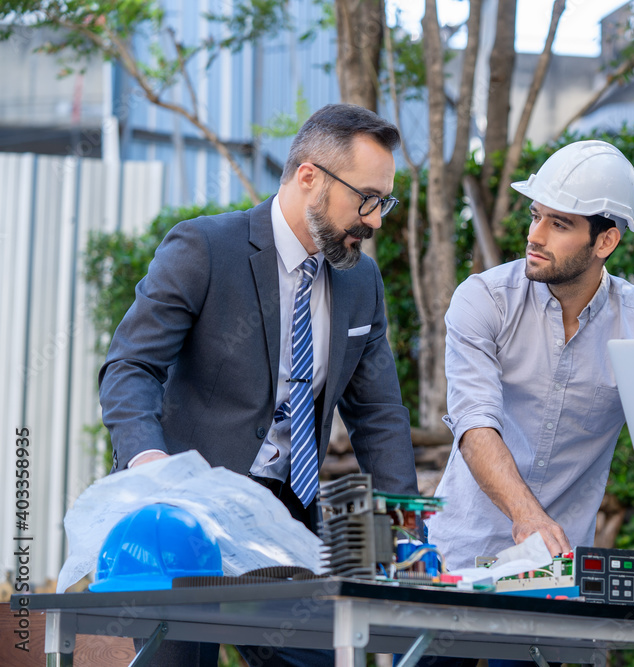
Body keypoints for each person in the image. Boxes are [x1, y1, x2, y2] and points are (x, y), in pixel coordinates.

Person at [99, 103, 419, 667]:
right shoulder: (204, 249)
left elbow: (379, 414)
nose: (374, 220)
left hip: (285, 524)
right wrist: (150, 464)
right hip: (184, 519)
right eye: (365, 199)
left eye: (383, 202)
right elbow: (130, 367)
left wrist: (406, 523)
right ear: (309, 178)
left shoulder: (361, 282)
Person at [425, 140, 634, 572]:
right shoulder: (485, 299)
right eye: (536, 215)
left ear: (606, 241)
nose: (534, 236)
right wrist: (528, 517)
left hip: (560, 571)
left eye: (559, 224)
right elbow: (475, 421)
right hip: (456, 556)